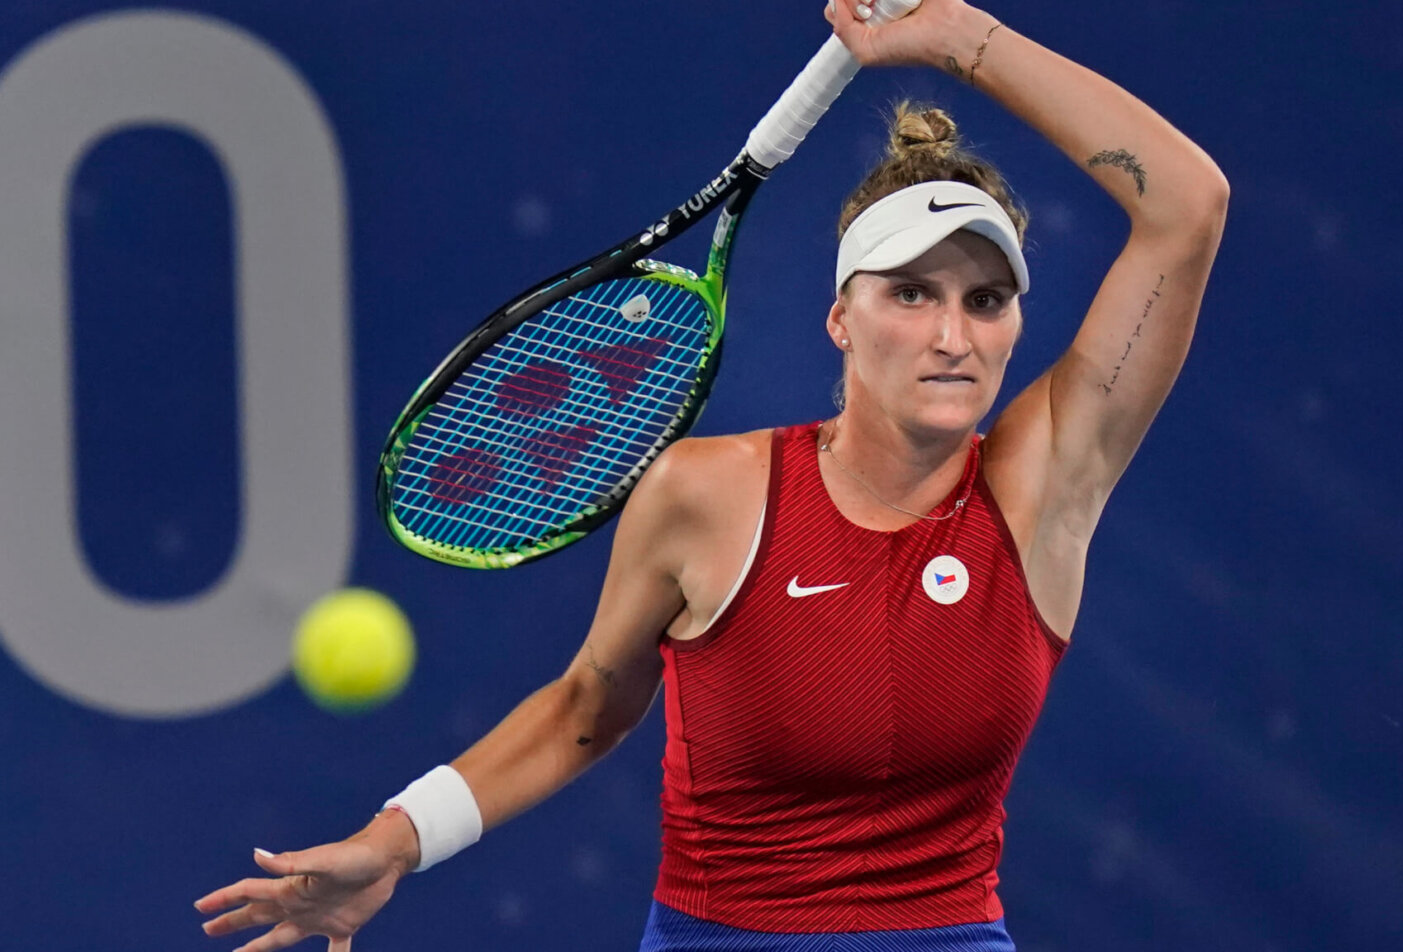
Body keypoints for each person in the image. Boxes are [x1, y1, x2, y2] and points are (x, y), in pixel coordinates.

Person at [194, 0, 1228, 948]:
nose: (952, 333)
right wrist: (395, 839)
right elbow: (584, 709)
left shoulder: (1045, 484)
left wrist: (953, 29)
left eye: (986, 299)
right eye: (910, 294)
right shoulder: (708, 495)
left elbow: (1187, 202)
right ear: (840, 318)